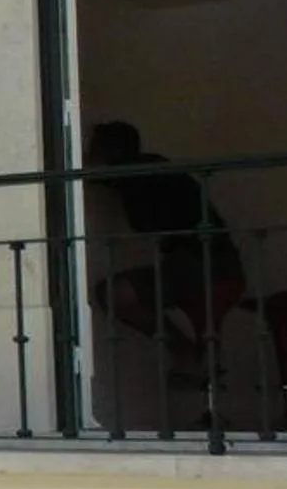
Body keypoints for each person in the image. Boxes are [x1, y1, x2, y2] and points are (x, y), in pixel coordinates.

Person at [85, 120, 245, 376]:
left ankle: (185, 352)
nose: (88, 156)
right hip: (221, 266)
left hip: (199, 266)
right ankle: (195, 357)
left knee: (116, 293)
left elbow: (109, 182)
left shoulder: (141, 174)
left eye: (93, 150)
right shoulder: (155, 169)